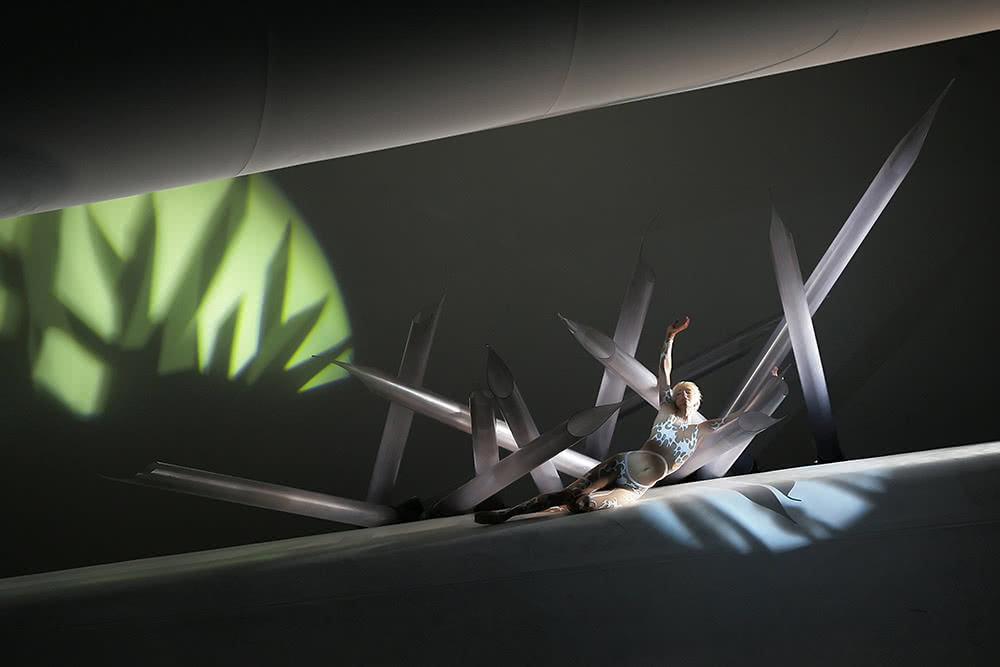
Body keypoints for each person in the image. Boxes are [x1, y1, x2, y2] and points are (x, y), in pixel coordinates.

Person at [475, 316, 720, 525]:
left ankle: (550, 511)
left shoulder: (700, 429)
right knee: (570, 493)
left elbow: (734, 420)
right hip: (622, 463)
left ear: (698, 401)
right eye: (679, 392)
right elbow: (664, 372)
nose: (683, 395)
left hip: (635, 487)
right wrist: (669, 337)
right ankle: (509, 513)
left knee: (583, 503)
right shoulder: (667, 409)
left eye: (688, 392)